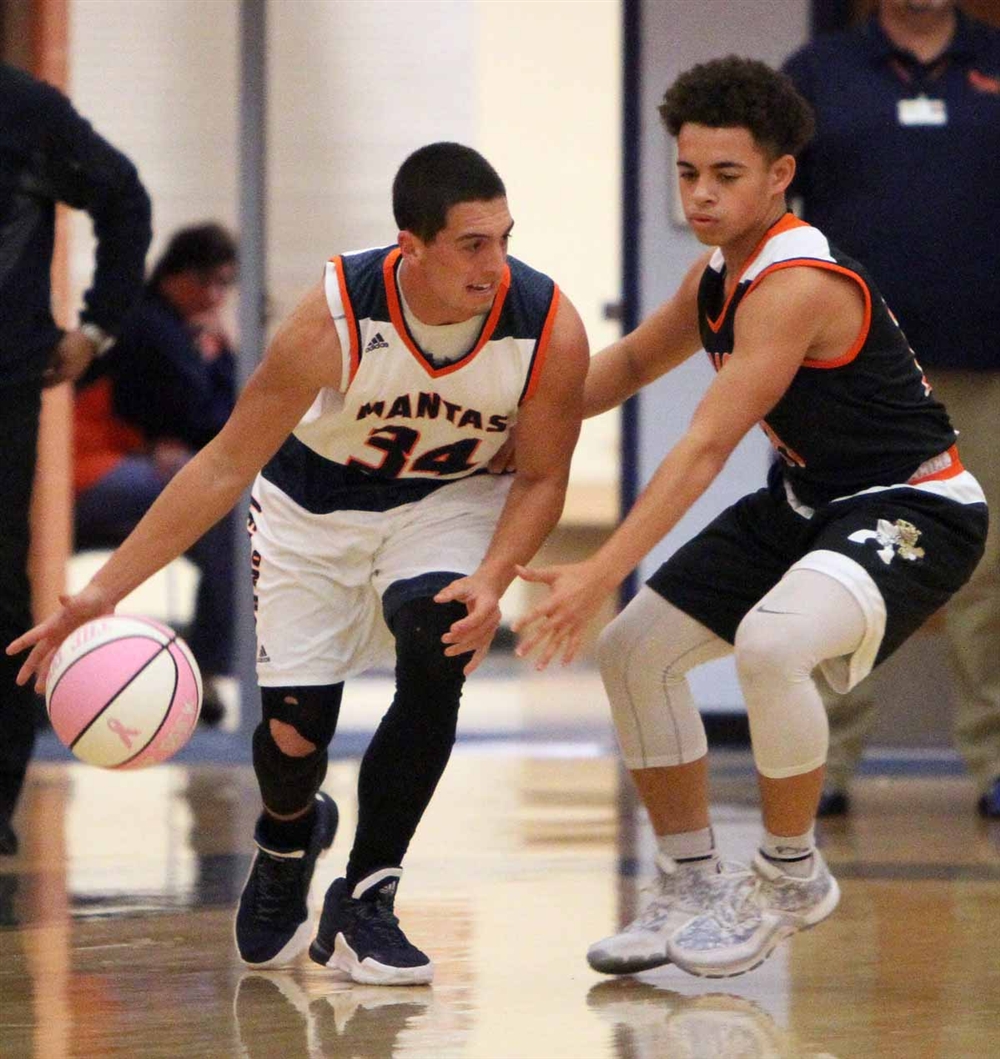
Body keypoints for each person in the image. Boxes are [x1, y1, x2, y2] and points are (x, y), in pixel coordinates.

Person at [8, 142, 588, 984]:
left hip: (444, 501)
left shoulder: (545, 323)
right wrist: (98, 595)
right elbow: (219, 465)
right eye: (472, 244)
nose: (495, 263)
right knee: (290, 739)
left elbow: (541, 477)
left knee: (439, 640)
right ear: (410, 245)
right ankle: (287, 836)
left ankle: (368, 894)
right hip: (310, 507)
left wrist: (494, 576)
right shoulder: (333, 317)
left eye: (504, 238)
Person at [512, 56, 987, 979]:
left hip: (917, 501)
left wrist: (602, 566)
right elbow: (627, 368)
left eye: (725, 176)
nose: (701, 194)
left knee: (773, 645)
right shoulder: (714, 277)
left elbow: (702, 447)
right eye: (688, 172)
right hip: (808, 499)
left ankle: (788, 874)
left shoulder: (797, 282)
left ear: (780, 176)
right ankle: (690, 881)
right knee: (633, 651)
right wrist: (496, 425)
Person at [783, 0, 1000, 819]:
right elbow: (767, 199)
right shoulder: (820, 72)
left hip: (985, 361)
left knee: (991, 570)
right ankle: (824, 763)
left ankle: (994, 762)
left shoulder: (993, 59)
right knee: (838, 561)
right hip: (850, 369)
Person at [0, 62, 151, 856]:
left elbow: (124, 197)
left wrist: (96, 328)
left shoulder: (24, 111)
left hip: (4, 384)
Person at [74, 223, 239, 725]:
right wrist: (219, 355)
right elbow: (209, 419)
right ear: (176, 275)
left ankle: (204, 669)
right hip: (84, 473)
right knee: (222, 508)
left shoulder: (171, 327)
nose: (214, 297)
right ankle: (206, 670)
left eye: (224, 285)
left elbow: (213, 419)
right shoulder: (150, 326)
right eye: (208, 282)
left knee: (218, 514)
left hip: (117, 465)